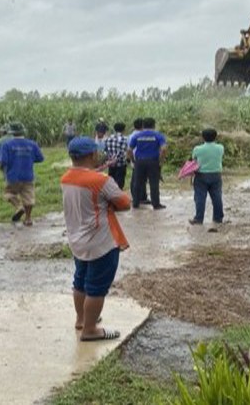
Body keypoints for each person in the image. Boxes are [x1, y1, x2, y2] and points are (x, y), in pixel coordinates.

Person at [61, 137, 131, 341]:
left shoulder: (65, 178)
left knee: (80, 281)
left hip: (77, 240)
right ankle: (90, 330)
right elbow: (125, 203)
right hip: (101, 242)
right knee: (97, 287)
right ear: (92, 155)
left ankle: (81, 320)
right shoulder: (102, 181)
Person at [0, 122, 44, 226]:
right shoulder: (32, 144)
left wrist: (1, 169)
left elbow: (3, 161)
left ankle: (18, 206)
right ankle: (28, 219)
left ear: (11, 133)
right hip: (28, 175)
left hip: (12, 175)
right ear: (23, 131)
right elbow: (40, 158)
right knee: (28, 197)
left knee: (8, 193)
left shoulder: (6, 145)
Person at [128, 117, 167, 210]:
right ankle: (156, 204)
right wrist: (160, 160)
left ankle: (135, 203)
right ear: (154, 125)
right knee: (154, 183)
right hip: (153, 161)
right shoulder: (158, 135)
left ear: (143, 125)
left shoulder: (137, 136)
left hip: (139, 161)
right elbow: (164, 149)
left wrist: (133, 160)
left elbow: (129, 150)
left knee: (137, 182)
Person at [189, 128, 225, 225]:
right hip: (216, 175)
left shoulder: (197, 149)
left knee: (200, 197)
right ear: (215, 136)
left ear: (203, 137)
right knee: (217, 197)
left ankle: (198, 219)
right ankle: (218, 218)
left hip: (201, 175)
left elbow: (193, 159)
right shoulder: (220, 148)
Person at [127, 118, 149, 204]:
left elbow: (128, 149)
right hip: (140, 158)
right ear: (142, 126)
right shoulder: (142, 135)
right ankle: (141, 197)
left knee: (135, 178)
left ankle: (136, 197)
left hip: (134, 158)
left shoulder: (131, 135)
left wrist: (130, 159)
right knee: (141, 179)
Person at [104, 122, 128, 189]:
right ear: (123, 130)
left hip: (111, 164)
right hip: (121, 164)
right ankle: (118, 197)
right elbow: (122, 152)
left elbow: (105, 151)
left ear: (114, 129)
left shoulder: (108, 138)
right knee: (119, 182)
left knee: (111, 182)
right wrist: (116, 159)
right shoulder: (124, 139)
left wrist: (111, 160)